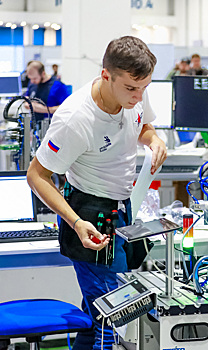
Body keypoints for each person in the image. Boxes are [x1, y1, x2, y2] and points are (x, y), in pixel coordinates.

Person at [26, 36, 167, 350]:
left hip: (122, 208)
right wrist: (76, 223)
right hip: (87, 213)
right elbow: (37, 175)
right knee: (110, 313)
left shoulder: (136, 93)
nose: (138, 96)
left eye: (144, 88)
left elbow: (143, 126)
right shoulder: (76, 119)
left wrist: (154, 140)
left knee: (98, 308)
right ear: (106, 76)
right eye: (131, 89)